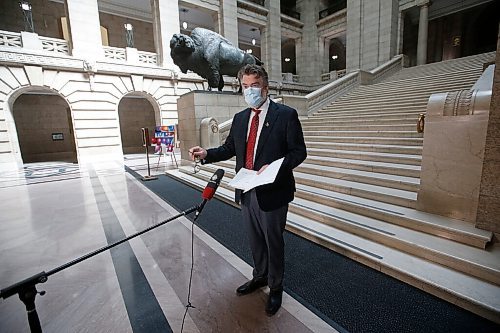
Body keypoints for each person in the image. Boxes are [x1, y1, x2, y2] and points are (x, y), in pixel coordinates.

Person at [189, 64, 306, 316]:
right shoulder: (241, 118)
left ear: (265, 86)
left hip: (273, 190)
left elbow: (299, 152)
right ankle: (260, 276)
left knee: (273, 241)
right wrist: (206, 154)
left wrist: (274, 167)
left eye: (254, 85)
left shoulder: (286, 115)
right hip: (246, 190)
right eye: (245, 86)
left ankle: (276, 287)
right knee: (255, 240)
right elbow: (230, 148)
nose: (249, 90)